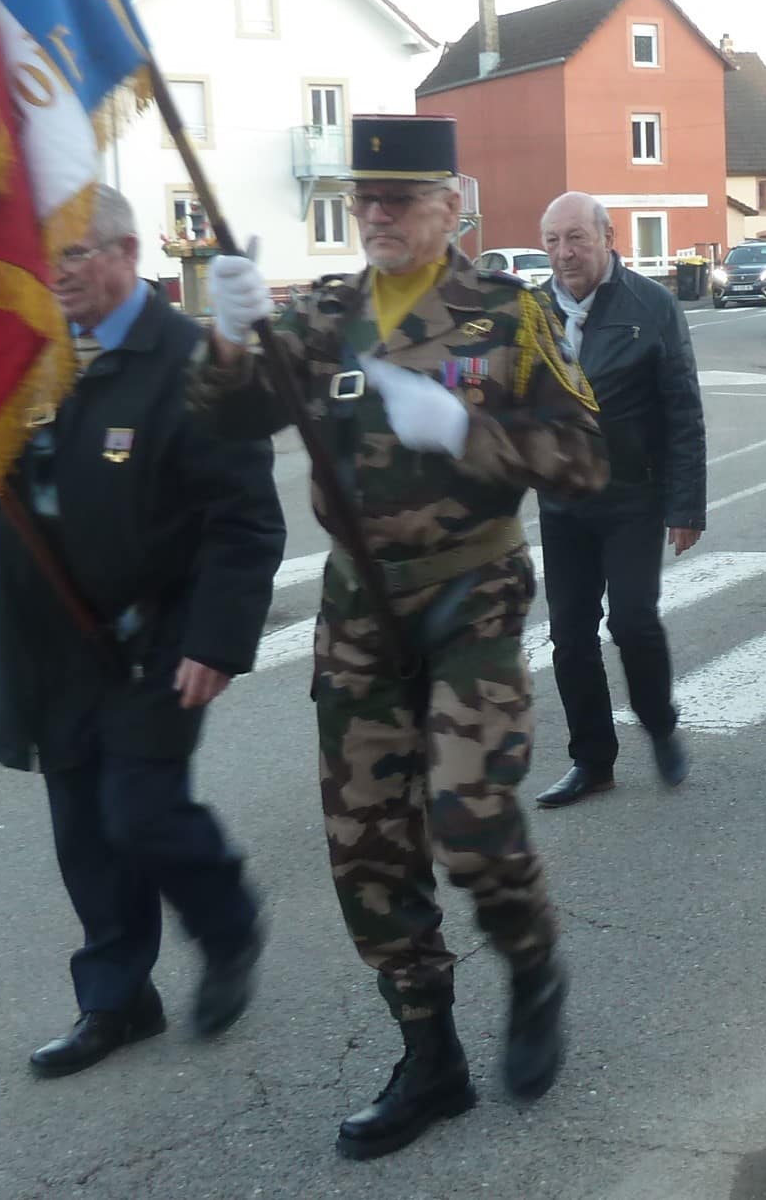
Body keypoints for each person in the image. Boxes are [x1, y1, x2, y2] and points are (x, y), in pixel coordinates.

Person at [194, 116, 609, 1160]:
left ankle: (529, 962)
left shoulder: (505, 314)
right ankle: (430, 1055)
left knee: (470, 822)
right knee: (366, 850)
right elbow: (231, 416)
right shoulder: (327, 311)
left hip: (469, 597)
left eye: (399, 198)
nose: (375, 213)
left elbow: (585, 460)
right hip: (357, 614)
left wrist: (466, 432)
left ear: (450, 207)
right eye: (364, 198)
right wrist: (229, 335)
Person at [0, 185, 286, 1081]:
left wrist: (216, 639)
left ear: (128, 254)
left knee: (142, 809)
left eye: (76, 254)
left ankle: (228, 925)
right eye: (51, 257)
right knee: (85, 827)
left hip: (156, 634)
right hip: (55, 643)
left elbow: (245, 520)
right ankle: (117, 997)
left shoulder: (189, 362)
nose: (58, 273)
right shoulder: (35, 353)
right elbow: (1, 479)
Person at [530, 191, 705, 809]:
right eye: (552, 240)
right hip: (562, 502)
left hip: (634, 495)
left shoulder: (650, 305)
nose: (564, 252)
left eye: (575, 237)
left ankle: (658, 724)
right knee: (569, 635)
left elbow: (683, 409)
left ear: (608, 238)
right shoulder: (532, 313)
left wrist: (687, 506)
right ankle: (592, 761)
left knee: (631, 621)